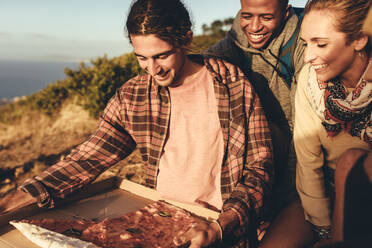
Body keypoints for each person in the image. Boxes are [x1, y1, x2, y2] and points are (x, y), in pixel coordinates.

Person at [0, 0, 274, 247]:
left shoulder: (233, 86)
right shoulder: (133, 96)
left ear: (187, 39)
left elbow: (259, 167)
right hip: (160, 221)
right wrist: (15, 200)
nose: (153, 70)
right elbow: (87, 158)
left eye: (161, 55)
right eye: (142, 58)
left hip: (218, 226)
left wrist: (221, 226)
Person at [204, 1, 315, 247]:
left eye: (266, 17)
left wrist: (286, 203)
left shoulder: (303, 41)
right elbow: (212, 58)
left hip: (296, 134)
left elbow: (305, 130)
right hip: (258, 131)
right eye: (247, 15)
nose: (254, 26)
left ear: (285, 13)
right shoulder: (238, 31)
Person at [294, 0, 372, 246]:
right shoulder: (310, 82)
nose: (307, 57)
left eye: (321, 44)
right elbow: (307, 159)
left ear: (359, 39)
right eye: (305, 43)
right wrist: (323, 227)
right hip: (324, 192)